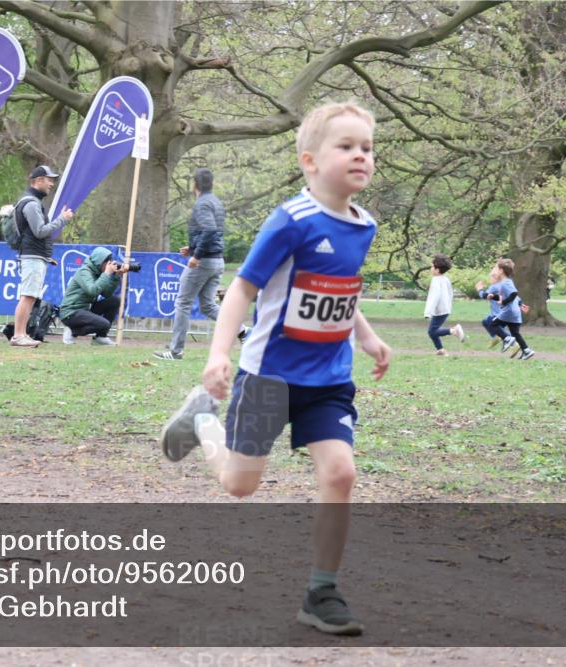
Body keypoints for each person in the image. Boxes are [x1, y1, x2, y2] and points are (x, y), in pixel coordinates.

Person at [159, 102, 391, 636]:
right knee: (240, 485)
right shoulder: (291, 221)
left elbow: (342, 287)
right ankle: (202, 420)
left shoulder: (365, 225)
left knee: (341, 473)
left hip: (329, 380)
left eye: (367, 147)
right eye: (347, 146)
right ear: (310, 161)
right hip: (269, 378)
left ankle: (321, 592)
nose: (361, 156)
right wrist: (218, 355)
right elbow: (242, 289)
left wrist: (367, 336)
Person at [153, 168, 246, 361]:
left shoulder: (202, 203)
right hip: (217, 260)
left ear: (195, 184)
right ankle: (244, 331)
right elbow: (213, 232)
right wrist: (193, 247)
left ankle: (176, 351)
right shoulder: (215, 202)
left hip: (204, 261)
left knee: (183, 303)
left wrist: (197, 255)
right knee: (208, 306)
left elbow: (210, 230)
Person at [10, 165, 73, 348]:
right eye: (49, 180)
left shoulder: (33, 202)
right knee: (27, 295)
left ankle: (22, 334)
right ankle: (18, 336)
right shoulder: (31, 204)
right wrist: (62, 219)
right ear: (38, 181)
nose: (52, 184)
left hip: (35, 255)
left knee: (30, 296)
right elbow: (40, 231)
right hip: (32, 256)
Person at [59, 247, 128, 346]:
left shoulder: (98, 273)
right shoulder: (84, 272)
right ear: (99, 262)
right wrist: (106, 274)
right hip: (71, 312)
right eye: (107, 262)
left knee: (114, 301)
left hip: (85, 309)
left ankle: (100, 337)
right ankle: (72, 331)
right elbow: (92, 291)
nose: (109, 265)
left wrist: (116, 276)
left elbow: (106, 294)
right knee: (104, 324)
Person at [481, 258, 534, 360]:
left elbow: (514, 294)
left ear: (501, 271)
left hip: (508, 311)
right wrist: (493, 297)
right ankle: (527, 351)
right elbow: (507, 296)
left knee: (492, 323)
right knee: (515, 333)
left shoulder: (506, 282)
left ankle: (507, 339)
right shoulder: (506, 282)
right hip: (515, 312)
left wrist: (504, 302)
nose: (495, 271)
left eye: (497, 269)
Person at [423, 253, 465, 355]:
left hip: (440, 310)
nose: (430, 268)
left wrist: (428, 312)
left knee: (432, 332)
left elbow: (434, 297)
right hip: (445, 309)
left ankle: (454, 331)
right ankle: (440, 350)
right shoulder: (445, 279)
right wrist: (448, 305)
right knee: (433, 331)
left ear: (437, 270)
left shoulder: (436, 280)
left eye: (432, 266)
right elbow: (450, 293)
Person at [476, 265, 511, 349]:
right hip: (507, 314)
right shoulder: (504, 285)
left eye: (491, 278)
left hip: (499, 315)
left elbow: (484, 295)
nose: (490, 280)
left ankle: (508, 339)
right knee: (485, 322)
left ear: (496, 278)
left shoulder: (494, 286)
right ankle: (499, 338)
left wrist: (479, 289)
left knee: (489, 322)